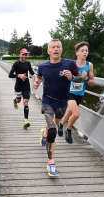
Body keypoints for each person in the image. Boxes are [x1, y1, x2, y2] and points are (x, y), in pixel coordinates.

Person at [33, 39, 79, 177]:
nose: (55, 49)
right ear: (48, 51)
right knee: (53, 129)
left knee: (53, 124)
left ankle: (44, 134)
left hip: (62, 102)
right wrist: (36, 83)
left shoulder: (69, 64)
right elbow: (39, 78)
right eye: (52, 47)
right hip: (47, 101)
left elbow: (80, 80)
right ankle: (51, 162)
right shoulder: (43, 66)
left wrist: (72, 77)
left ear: (62, 50)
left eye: (58, 47)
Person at [57, 41, 95, 143]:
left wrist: (86, 78)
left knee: (70, 112)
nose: (85, 53)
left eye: (86, 51)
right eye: (82, 51)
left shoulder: (89, 65)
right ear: (77, 53)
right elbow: (61, 75)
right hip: (69, 92)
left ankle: (61, 124)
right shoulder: (71, 64)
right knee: (76, 114)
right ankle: (68, 130)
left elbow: (92, 83)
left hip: (80, 93)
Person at [9, 48, 37, 129]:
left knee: (25, 103)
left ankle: (26, 120)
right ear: (20, 54)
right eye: (23, 54)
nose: (24, 56)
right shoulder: (16, 64)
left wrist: (35, 76)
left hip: (26, 86)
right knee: (18, 100)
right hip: (18, 85)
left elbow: (31, 72)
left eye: (26, 54)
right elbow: (10, 75)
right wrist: (19, 75)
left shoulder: (28, 63)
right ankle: (15, 100)